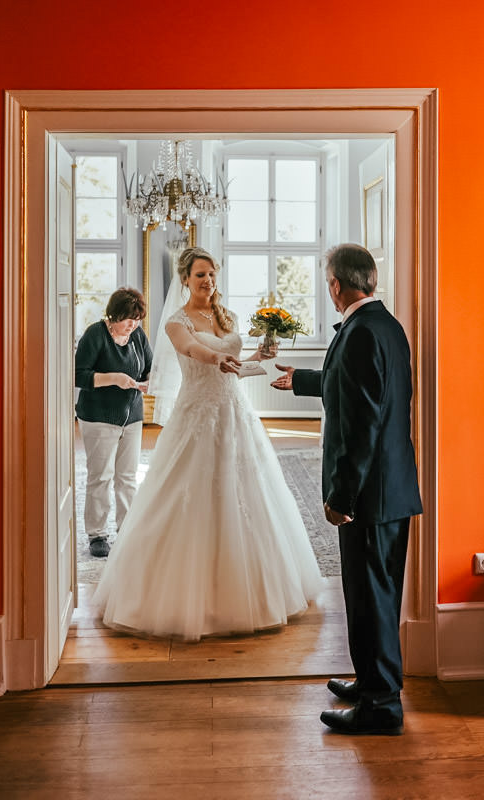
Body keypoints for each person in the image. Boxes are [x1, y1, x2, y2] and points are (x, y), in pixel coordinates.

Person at [91, 246, 321, 641]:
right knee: (184, 495)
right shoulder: (176, 322)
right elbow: (192, 350)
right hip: (197, 415)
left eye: (212, 274)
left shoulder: (225, 315)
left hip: (235, 414)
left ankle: (253, 590)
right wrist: (216, 358)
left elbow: (236, 368)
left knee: (248, 496)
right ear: (186, 279)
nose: (208, 282)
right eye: (200, 275)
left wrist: (258, 356)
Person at [272, 243, 422, 736]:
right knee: (376, 595)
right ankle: (373, 683)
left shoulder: (360, 333)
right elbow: (361, 386)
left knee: (369, 598)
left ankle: (381, 706)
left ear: (336, 284)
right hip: (392, 489)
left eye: (326, 281)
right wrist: (301, 380)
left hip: (369, 496)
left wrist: (342, 496)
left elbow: (361, 424)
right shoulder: (385, 325)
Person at [74, 287, 153, 558]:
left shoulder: (137, 335)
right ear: (114, 315)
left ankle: (127, 529)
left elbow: (149, 367)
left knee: (127, 477)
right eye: (128, 319)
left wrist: (149, 382)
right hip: (98, 416)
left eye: (137, 319)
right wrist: (114, 378)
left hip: (132, 415)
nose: (133, 324)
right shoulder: (95, 334)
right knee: (101, 476)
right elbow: (78, 375)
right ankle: (97, 534)